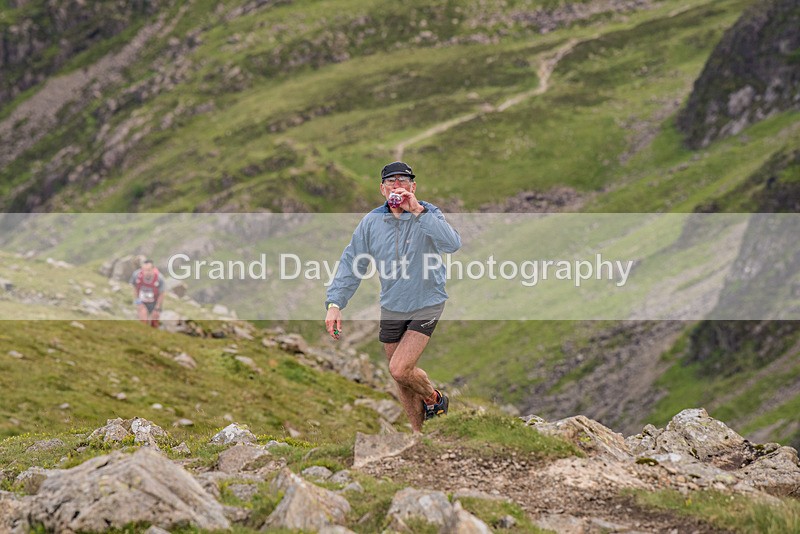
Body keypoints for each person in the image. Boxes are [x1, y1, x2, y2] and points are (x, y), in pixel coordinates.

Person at [325, 161, 461, 433]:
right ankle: (419, 436)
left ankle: (435, 399)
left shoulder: (429, 213)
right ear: (382, 189)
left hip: (427, 301)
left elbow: (452, 244)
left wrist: (418, 211)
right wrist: (335, 303)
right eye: (391, 182)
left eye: (403, 181)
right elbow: (352, 262)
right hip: (392, 305)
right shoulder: (371, 222)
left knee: (399, 369)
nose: (397, 186)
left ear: (413, 187)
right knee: (401, 378)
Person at [130, 259, 165, 328]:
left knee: (154, 323)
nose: (146, 272)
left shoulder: (159, 278)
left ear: (153, 269)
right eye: (144, 270)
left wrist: (157, 307)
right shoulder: (136, 275)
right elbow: (134, 288)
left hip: (154, 303)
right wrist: (138, 302)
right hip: (142, 301)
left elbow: (162, 294)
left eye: (149, 270)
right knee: (143, 321)